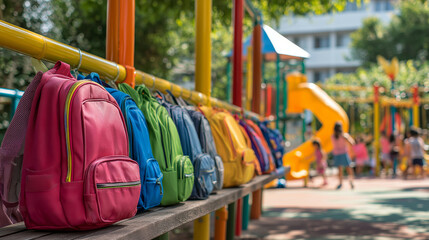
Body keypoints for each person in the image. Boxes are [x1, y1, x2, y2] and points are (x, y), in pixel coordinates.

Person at [331, 122, 355, 189]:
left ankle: (340, 183)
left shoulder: (333, 136)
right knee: (348, 168)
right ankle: (351, 181)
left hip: (336, 153)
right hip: (344, 153)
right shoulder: (344, 135)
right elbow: (352, 142)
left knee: (340, 169)